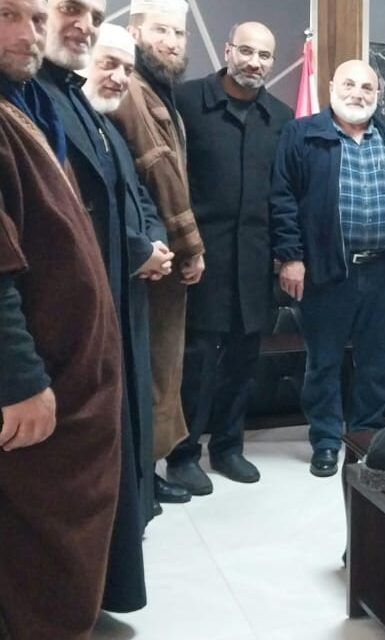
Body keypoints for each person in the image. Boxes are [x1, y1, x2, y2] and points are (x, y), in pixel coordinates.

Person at [0, 0, 125, 636]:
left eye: (33, 19)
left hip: (71, 385)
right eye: (7, 16)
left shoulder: (25, 105)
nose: (29, 34)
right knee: (35, 565)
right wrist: (19, 378)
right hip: (38, 395)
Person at [38, 4, 157, 613]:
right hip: (62, 330)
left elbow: (124, 199)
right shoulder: (34, 101)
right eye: (68, 10)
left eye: (92, 13)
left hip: (114, 303)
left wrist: (147, 244)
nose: (82, 25)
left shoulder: (77, 103)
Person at [168, 21, 293, 491]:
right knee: (196, 362)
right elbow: (168, 181)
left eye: (264, 56)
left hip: (255, 262)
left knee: (243, 361)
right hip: (199, 260)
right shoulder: (185, 102)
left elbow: (284, 195)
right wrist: (181, 246)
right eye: (246, 51)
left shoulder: (280, 118)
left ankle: (227, 447)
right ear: (227, 51)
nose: (254, 62)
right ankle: (183, 454)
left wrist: (288, 254)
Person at [270, 59, 385, 477]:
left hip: (382, 271)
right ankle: (327, 441)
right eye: (349, 84)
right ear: (332, 87)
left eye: (367, 88)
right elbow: (282, 198)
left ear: (377, 95)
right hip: (326, 270)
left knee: (378, 363)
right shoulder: (302, 134)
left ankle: (366, 435)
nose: (358, 94)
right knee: (324, 362)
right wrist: (291, 257)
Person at [110, 0, 206, 502]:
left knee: (160, 368)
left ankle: (146, 475)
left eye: (179, 33)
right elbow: (159, 173)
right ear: (134, 31)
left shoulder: (156, 90)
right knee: (149, 371)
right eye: (160, 31)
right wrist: (190, 248)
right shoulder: (130, 88)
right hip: (150, 259)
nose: (171, 42)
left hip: (158, 253)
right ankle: (142, 481)